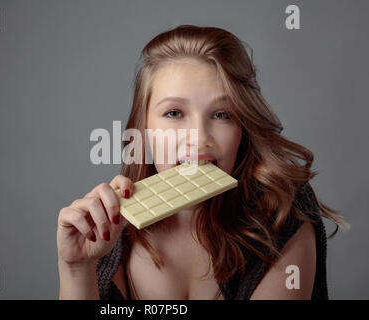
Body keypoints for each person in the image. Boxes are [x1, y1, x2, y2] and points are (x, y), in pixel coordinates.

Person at [57, 25, 347, 300]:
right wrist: (76, 269)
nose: (198, 138)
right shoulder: (106, 231)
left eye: (222, 114)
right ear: (143, 127)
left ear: (243, 127)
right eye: (174, 113)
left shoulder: (283, 212)